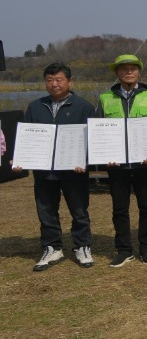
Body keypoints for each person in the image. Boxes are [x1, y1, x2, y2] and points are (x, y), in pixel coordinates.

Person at [14, 62, 96, 271]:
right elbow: (26, 137)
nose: (54, 84)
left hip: (74, 171)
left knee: (79, 210)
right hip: (44, 171)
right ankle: (52, 247)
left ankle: (82, 246)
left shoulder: (83, 107)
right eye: (49, 80)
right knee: (46, 211)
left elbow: (92, 139)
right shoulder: (35, 106)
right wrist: (20, 158)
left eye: (59, 79)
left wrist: (84, 160)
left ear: (70, 82)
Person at [97, 54, 147, 267]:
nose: (128, 72)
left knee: (146, 208)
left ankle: (146, 249)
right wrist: (104, 157)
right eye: (124, 68)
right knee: (120, 209)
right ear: (117, 72)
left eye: (133, 68)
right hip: (116, 166)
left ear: (139, 72)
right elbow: (97, 130)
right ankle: (124, 250)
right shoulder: (105, 98)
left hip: (144, 164)